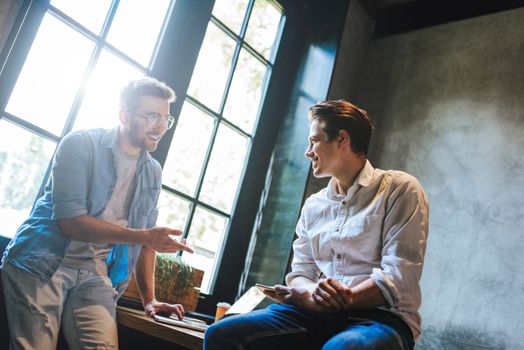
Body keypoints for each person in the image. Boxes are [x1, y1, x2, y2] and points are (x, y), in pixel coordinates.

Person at [204, 100, 429, 350]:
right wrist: (311, 295)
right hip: (312, 314)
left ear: (341, 139)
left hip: (379, 318)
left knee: (344, 348)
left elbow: (398, 278)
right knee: (220, 334)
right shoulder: (314, 205)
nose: (307, 151)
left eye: (313, 141)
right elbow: (301, 273)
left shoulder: (400, 189)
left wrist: (334, 299)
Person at [1, 77, 193, 349]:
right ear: (124, 116)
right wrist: (145, 235)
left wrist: (149, 299)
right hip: (42, 261)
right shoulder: (80, 144)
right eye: (151, 117)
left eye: (165, 119)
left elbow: (146, 242)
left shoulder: (152, 171)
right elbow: (71, 223)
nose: (160, 127)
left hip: (94, 273)